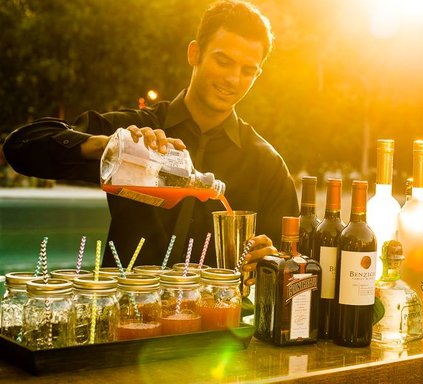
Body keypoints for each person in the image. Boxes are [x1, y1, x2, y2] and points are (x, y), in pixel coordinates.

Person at [2, 0, 299, 282]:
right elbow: (20, 147)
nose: (234, 79)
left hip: (218, 327)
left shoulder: (266, 164)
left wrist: (270, 260)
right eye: (224, 62)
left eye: (248, 71)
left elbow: (291, 264)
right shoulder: (136, 132)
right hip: (124, 321)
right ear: (194, 53)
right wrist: (106, 147)